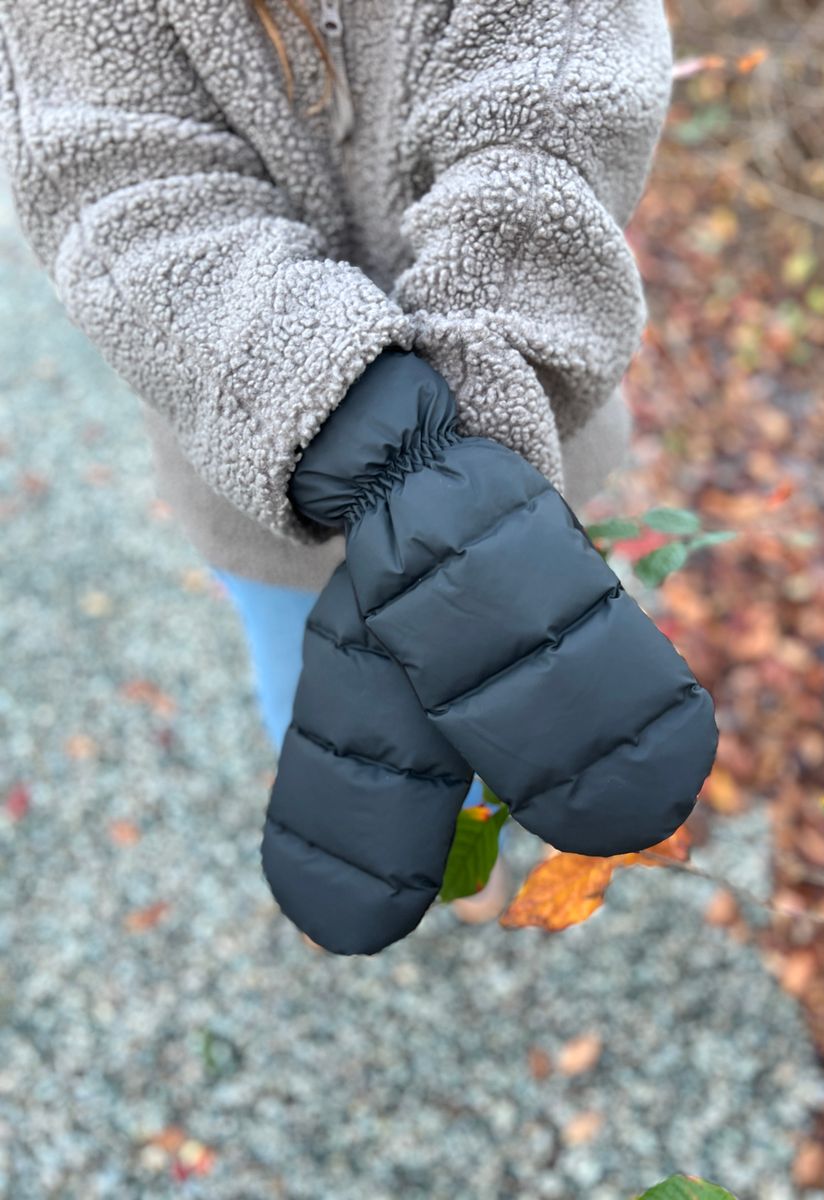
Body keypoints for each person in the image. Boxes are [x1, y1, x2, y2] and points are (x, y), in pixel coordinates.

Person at [0, 0, 677, 928]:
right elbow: (119, 181)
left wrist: (445, 467)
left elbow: (554, 77)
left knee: (520, 649)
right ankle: (454, 844)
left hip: (531, 417)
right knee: (310, 682)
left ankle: (476, 831)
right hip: (258, 464)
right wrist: (361, 426)